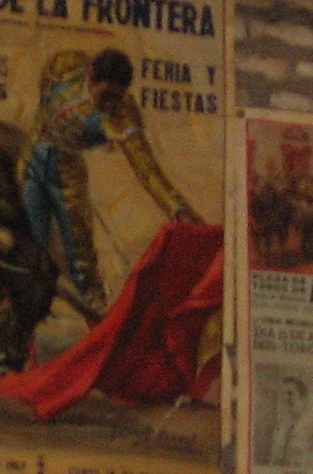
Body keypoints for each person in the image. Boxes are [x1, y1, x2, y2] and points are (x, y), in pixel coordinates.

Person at [19, 46, 200, 320]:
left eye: (117, 98)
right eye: (106, 96)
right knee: (31, 242)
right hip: (33, 160)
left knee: (80, 248)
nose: (110, 106)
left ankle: (95, 307)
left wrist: (177, 207)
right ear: (91, 76)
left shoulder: (124, 116)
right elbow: (44, 99)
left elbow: (146, 167)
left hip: (66, 171)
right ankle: (28, 307)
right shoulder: (66, 65)